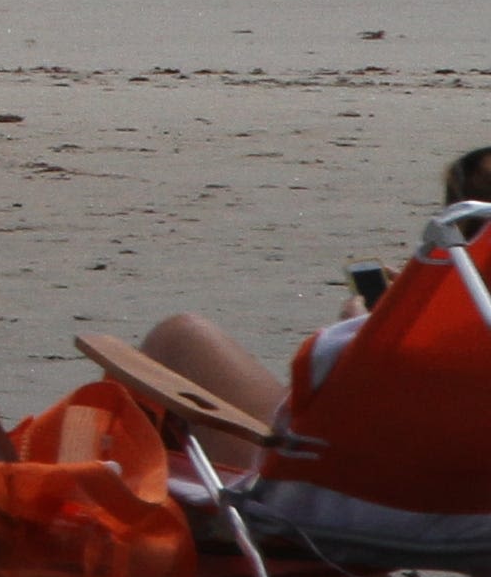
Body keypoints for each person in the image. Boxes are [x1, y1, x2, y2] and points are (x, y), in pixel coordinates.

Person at [128, 140, 491, 432]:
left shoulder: (418, 341)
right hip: (472, 514)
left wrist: (358, 327)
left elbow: (334, 409)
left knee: (181, 336)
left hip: (357, 505)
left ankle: (98, 499)